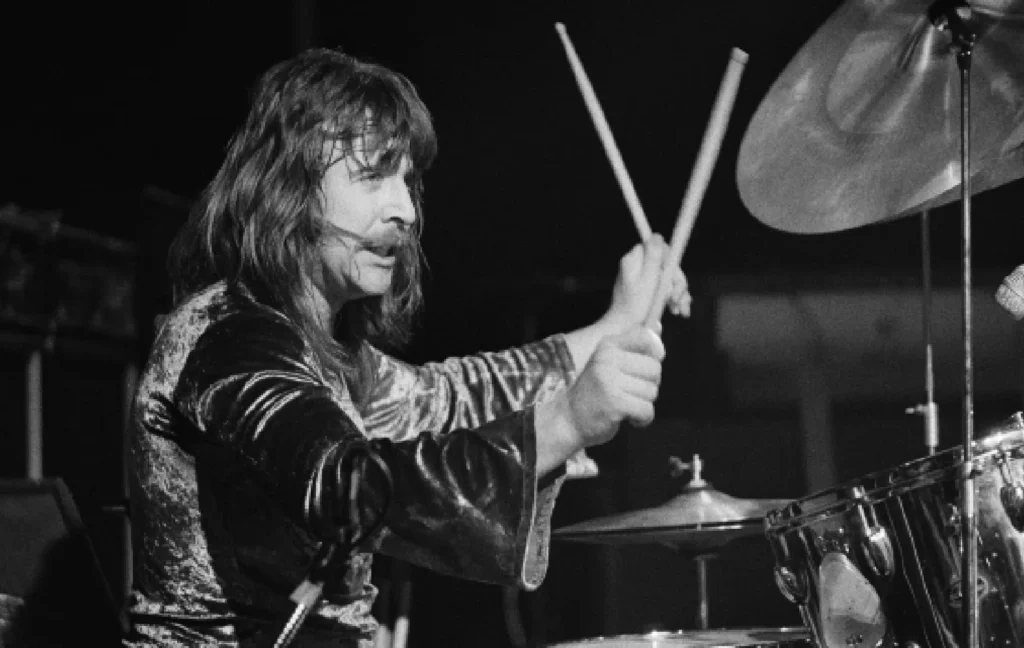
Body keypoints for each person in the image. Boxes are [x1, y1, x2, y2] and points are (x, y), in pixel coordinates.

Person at [124, 47, 689, 647]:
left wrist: (615, 324)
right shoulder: (227, 336)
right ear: (288, 188)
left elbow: (450, 398)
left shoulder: (330, 355)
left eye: (407, 180)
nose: (406, 210)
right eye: (374, 176)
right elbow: (342, 483)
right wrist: (566, 421)